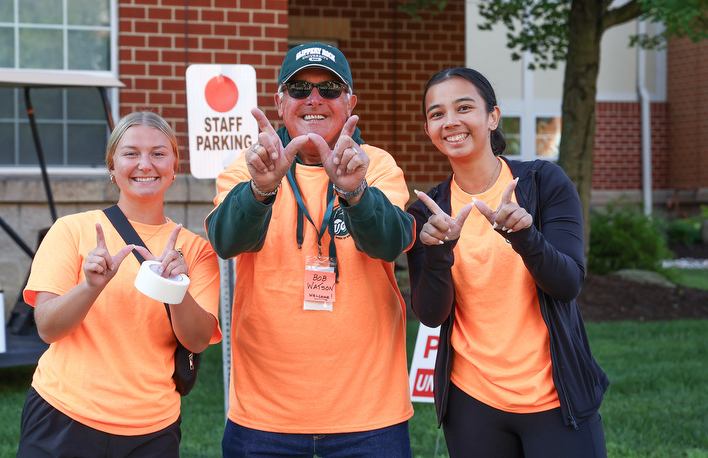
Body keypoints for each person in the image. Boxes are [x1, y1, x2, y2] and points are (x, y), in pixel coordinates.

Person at [205, 42, 416, 456]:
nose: (314, 99)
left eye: (330, 89)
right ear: (280, 101)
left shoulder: (376, 163)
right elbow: (226, 241)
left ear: (350, 100)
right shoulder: (249, 167)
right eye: (299, 88)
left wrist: (355, 193)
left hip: (369, 412)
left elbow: (390, 241)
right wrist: (260, 190)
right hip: (264, 414)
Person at [406, 67, 609, 457]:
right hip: (472, 405)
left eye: (464, 107)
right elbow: (431, 315)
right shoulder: (426, 213)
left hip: (556, 398)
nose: (450, 121)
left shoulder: (543, 183)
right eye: (436, 113)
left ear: (492, 117)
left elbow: (568, 284)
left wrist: (526, 239)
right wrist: (437, 253)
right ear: (429, 129)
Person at [16, 111, 222, 457]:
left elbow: (198, 340)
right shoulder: (71, 230)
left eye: (158, 153)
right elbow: (48, 328)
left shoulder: (196, 251)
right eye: (130, 153)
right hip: (63, 415)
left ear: (174, 167)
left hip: (151, 430)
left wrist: (176, 288)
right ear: (113, 168)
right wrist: (90, 286)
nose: (145, 164)